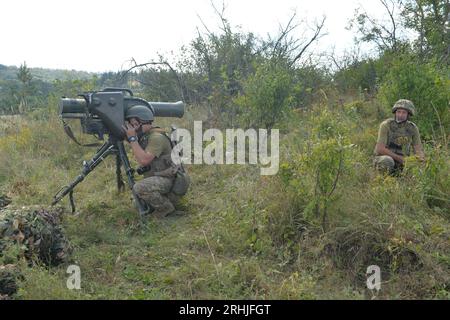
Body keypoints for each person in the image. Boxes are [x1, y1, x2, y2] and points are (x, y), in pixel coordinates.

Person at [122, 105, 181, 218]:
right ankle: (160, 202)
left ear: (144, 122)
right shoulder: (147, 135)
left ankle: (166, 208)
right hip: (161, 177)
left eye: (134, 124)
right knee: (137, 201)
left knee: (139, 188)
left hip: (168, 180)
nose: (133, 128)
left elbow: (144, 160)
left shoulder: (156, 138)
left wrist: (133, 139)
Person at [373, 99, 425, 174]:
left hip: (403, 161)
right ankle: (382, 180)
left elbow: (418, 150)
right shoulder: (386, 125)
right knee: (387, 161)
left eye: (404, 113)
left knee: (418, 169)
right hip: (384, 158)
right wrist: (401, 159)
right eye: (398, 112)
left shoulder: (412, 128)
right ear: (395, 112)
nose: (400, 115)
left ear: (408, 114)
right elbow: (380, 149)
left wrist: (420, 161)